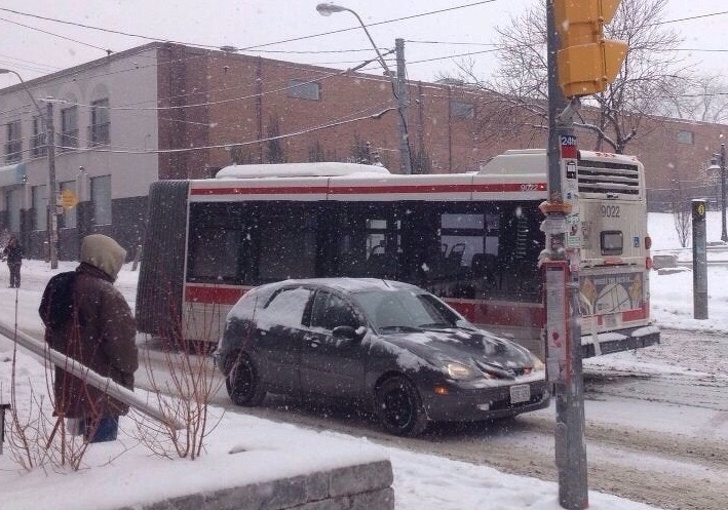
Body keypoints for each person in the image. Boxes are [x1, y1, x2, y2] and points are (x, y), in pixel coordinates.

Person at [39, 234, 139, 443]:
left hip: (71, 381)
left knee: (83, 451)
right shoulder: (106, 293)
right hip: (103, 387)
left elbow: (53, 332)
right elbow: (122, 347)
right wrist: (128, 370)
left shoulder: (64, 286)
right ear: (106, 261)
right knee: (100, 452)